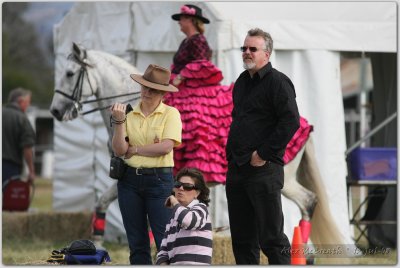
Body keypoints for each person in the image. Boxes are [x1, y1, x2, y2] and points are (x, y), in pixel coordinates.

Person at [225, 28, 300, 265]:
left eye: (252, 49)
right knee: (242, 240)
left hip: (263, 170)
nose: (246, 52)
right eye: (244, 48)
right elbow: (240, 120)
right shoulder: (241, 82)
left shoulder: (277, 81)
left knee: (272, 239)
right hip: (237, 169)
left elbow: (291, 121)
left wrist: (264, 153)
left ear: (266, 54)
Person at [110, 64, 182, 264]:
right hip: (129, 181)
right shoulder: (128, 114)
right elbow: (119, 150)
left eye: (153, 89)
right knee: (137, 243)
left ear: (162, 94)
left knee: (164, 241)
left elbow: (166, 147)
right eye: (144, 87)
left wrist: (135, 149)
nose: (147, 92)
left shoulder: (171, 113)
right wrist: (118, 122)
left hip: (159, 181)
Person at [165, 4, 234, 184]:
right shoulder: (186, 41)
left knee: (195, 121)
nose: (179, 22)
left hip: (196, 90)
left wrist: (182, 75)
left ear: (190, 20)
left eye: (182, 18)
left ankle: (196, 169)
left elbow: (203, 64)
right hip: (182, 89)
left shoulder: (198, 41)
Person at [156, 167, 212, 265]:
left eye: (188, 186)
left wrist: (174, 203)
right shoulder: (173, 217)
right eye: (178, 185)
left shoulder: (201, 208)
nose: (181, 188)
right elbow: (163, 250)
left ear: (197, 193)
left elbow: (188, 221)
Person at [2, 87, 36, 188]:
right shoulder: (22, 119)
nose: (28, 105)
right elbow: (27, 148)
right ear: (21, 101)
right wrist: (31, 171)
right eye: (28, 102)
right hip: (10, 168)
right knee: (9, 201)